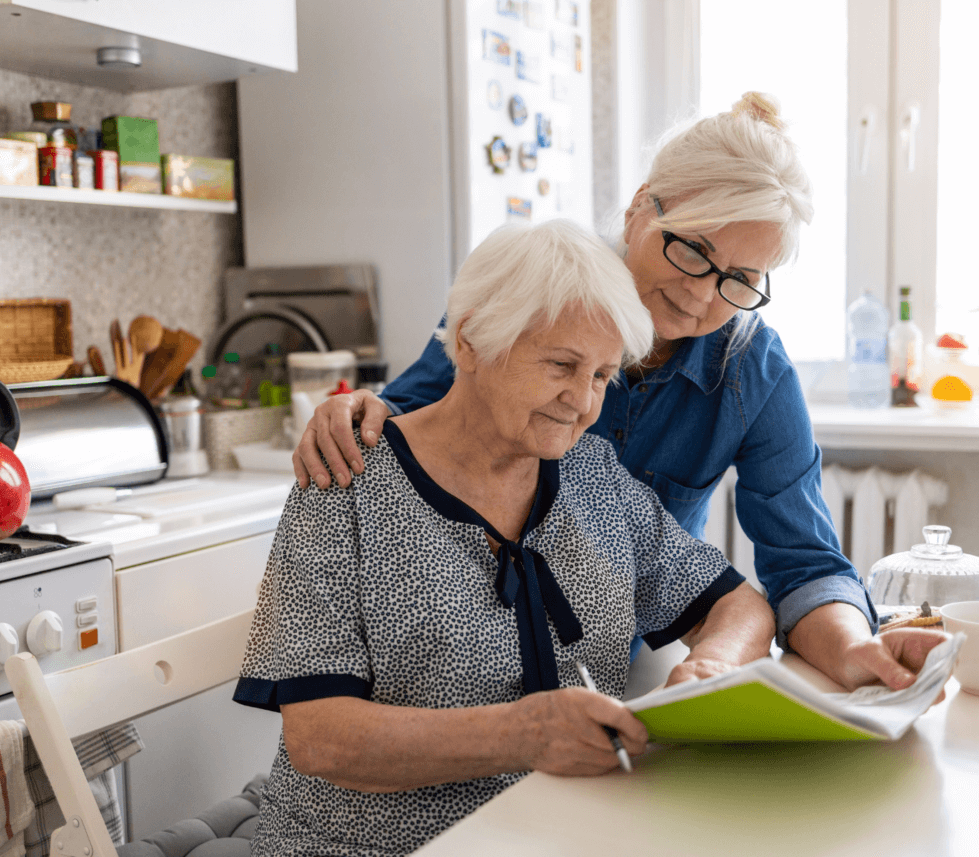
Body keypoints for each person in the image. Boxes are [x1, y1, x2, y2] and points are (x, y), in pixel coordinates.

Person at [292, 92, 950, 695]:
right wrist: (356, 411)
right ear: (640, 209)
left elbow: (805, 563)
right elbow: (408, 421)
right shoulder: (533, 290)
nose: (699, 293)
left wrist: (856, 647)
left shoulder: (754, 368)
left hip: (615, 667)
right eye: (692, 249)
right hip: (457, 665)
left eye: (740, 278)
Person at [233, 219, 781, 856]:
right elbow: (321, 738)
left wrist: (709, 667)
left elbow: (738, 605)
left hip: (558, 835)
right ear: (470, 342)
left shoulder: (591, 475)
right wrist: (524, 733)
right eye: (561, 365)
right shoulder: (347, 479)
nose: (581, 401)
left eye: (603, 376)